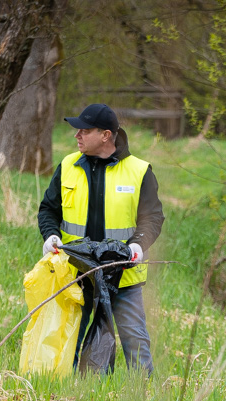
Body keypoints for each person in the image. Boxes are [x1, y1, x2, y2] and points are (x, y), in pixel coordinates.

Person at [37, 103, 164, 374]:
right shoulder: (68, 165)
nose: (77, 135)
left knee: (136, 343)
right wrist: (50, 236)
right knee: (68, 340)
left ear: (106, 135)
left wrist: (139, 245)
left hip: (123, 276)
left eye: (84, 130)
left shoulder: (140, 171)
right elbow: (49, 209)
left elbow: (152, 218)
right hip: (77, 274)